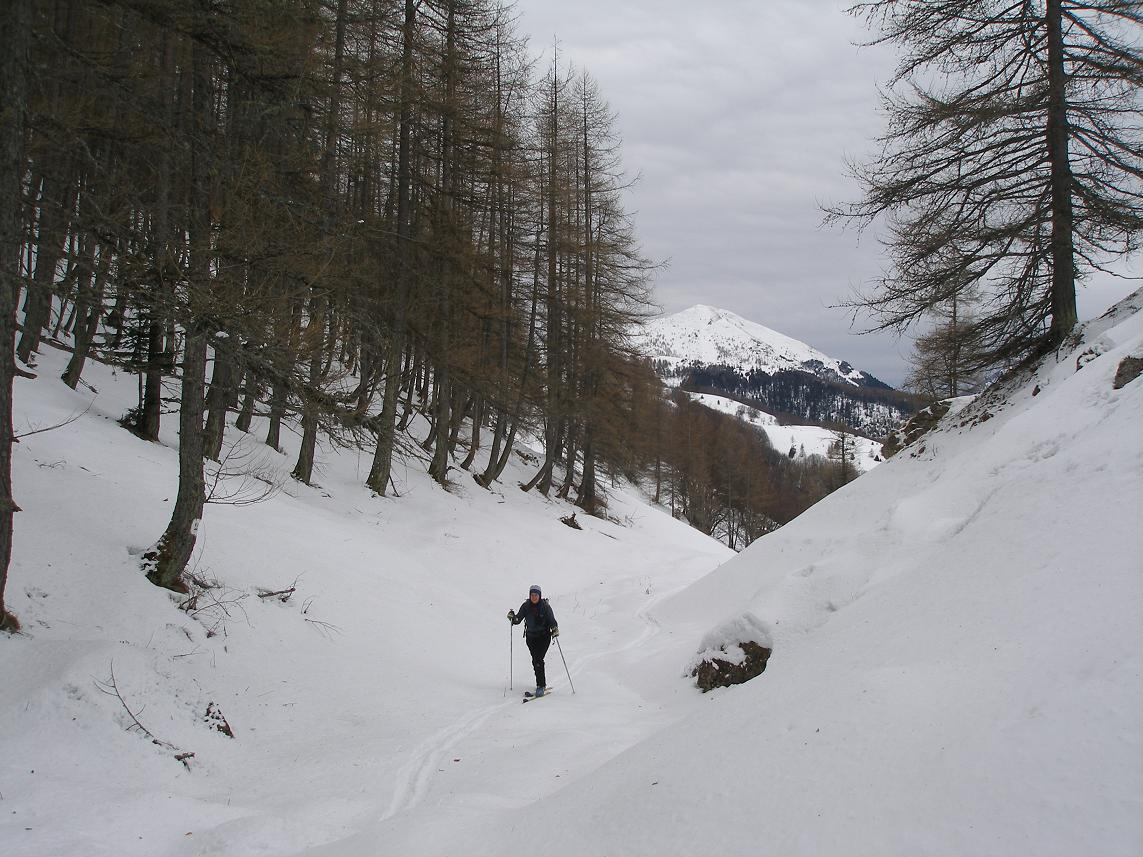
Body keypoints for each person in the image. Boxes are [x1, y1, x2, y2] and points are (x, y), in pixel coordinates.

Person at [507, 585, 559, 697]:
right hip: (530, 638)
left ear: (540, 596)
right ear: (529, 595)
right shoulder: (525, 606)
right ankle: (540, 684)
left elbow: (552, 621)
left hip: (544, 637)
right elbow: (517, 620)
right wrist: (512, 617)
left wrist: (554, 629)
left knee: (538, 659)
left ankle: (541, 685)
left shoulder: (545, 607)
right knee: (535, 660)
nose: (534, 597)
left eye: (536, 595)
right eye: (532, 595)